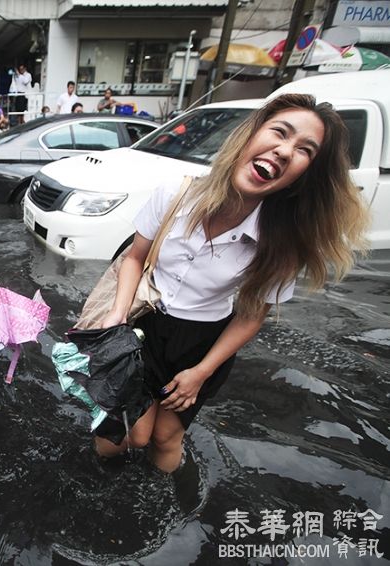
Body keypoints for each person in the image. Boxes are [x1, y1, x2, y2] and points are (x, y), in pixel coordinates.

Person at [91, 93, 369, 473]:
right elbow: (135, 258)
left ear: (306, 174)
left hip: (203, 345)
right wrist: (117, 317)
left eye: (304, 150)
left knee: (166, 437)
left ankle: (167, 508)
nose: (285, 151)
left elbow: (252, 315)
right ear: (250, 134)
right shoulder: (175, 193)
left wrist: (200, 373)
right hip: (143, 326)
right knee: (130, 435)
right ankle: (97, 477)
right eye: (279, 132)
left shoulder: (281, 245)